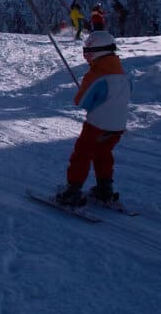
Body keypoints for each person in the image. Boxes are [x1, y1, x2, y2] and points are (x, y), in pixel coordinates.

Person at [56, 31, 131, 206]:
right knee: (103, 153)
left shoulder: (96, 75)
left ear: (98, 52)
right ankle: (105, 190)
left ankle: (72, 192)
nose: (87, 58)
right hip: (118, 126)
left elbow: (81, 101)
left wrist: (85, 88)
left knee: (82, 154)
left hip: (97, 124)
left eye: (88, 53)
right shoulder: (122, 75)